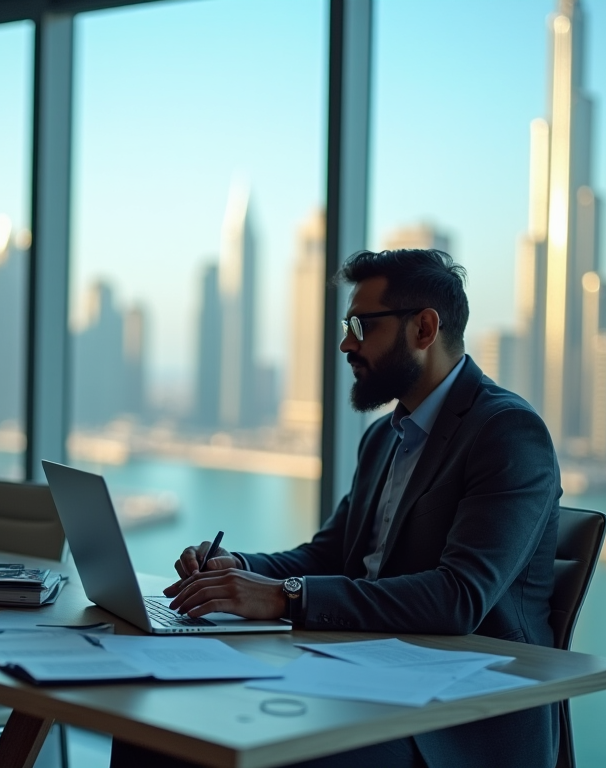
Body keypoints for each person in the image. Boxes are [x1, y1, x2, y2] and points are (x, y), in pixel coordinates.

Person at [111, 249, 562, 768]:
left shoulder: (506, 432)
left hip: (459, 719)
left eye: (361, 325)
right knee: (153, 728)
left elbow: (458, 598)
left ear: (424, 328)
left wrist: (283, 597)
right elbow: (328, 554)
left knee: (268, 753)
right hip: (365, 676)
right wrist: (239, 570)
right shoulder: (384, 438)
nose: (346, 343)